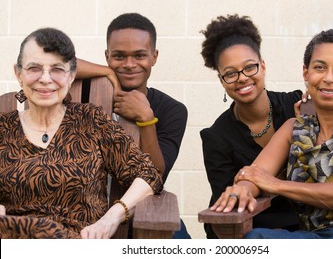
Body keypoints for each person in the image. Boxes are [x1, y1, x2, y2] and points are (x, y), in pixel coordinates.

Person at [212, 29, 333, 239]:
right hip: (314, 238)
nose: (329, 78)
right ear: (306, 73)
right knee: (256, 241)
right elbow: (254, 174)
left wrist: (276, 185)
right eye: (319, 68)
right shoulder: (294, 129)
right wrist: (242, 188)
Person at [0, 27, 163, 239]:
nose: (46, 78)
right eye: (34, 68)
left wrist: (111, 218)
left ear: (71, 76)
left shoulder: (90, 122)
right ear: (18, 74)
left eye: (57, 69)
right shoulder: (3, 129)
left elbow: (148, 174)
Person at [75, 13, 190, 238]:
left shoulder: (172, 110)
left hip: (137, 214)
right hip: (81, 210)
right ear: (107, 56)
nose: (129, 65)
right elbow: (49, 62)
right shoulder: (84, 92)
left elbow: (156, 177)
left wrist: (146, 119)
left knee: (177, 235)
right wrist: (108, 74)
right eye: (118, 56)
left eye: (139, 55)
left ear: (154, 56)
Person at [199, 14, 303, 238]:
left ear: (263, 66)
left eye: (249, 68)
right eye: (230, 73)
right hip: (251, 228)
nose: (242, 78)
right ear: (221, 80)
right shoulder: (216, 137)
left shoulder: (294, 107)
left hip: (305, 224)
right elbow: (229, 204)